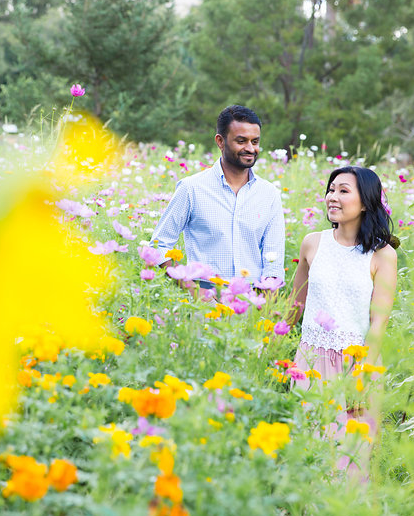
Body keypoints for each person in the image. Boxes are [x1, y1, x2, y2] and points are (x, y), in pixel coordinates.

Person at [287, 166, 397, 479]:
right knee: (308, 451)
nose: (333, 197)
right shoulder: (313, 243)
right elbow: (296, 302)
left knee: (349, 458)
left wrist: (360, 379)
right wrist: (274, 342)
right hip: (309, 360)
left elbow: (378, 322)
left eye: (343, 191)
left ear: (365, 202)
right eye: (331, 189)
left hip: (356, 364)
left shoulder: (381, 254)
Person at [151, 105, 285, 288]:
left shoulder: (269, 194)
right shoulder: (192, 189)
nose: (250, 148)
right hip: (204, 302)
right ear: (220, 141)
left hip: (251, 303)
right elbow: (159, 246)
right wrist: (195, 292)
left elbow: (274, 262)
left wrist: (266, 309)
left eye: (255, 141)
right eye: (241, 141)